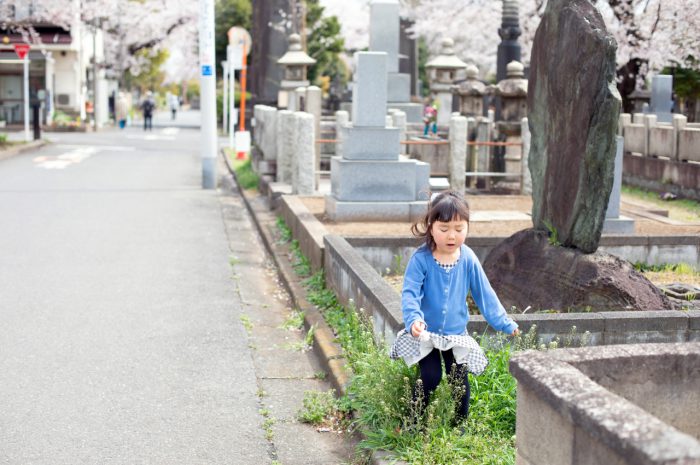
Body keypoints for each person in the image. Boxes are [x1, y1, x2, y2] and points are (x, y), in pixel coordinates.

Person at [390, 191, 520, 423]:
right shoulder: (421, 259)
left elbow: (484, 294)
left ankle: (459, 423)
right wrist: (414, 320)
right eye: (444, 229)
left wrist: (504, 322)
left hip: (456, 334)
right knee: (430, 376)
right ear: (431, 227)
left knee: (459, 378)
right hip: (426, 333)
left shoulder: (468, 258)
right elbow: (410, 294)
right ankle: (414, 418)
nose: (452, 236)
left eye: (459, 229)